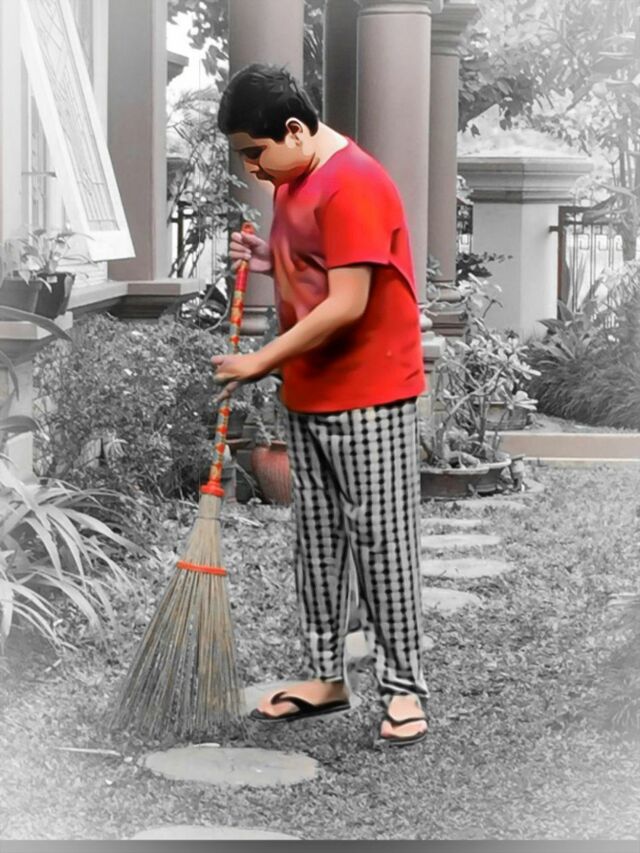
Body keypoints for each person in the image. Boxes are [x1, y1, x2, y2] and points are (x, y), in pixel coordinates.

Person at [212, 63, 429, 748]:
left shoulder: (354, 182)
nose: (252, 169)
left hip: (370, 392)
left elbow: (347, 302)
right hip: (311, 392)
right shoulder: (294, 179)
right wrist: (268, 255)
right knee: (319, 543)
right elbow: (315, 261)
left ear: (295, 130)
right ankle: (326, 678)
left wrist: (260, 361)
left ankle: (404, 690)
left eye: (256, 153)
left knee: (382, 542)